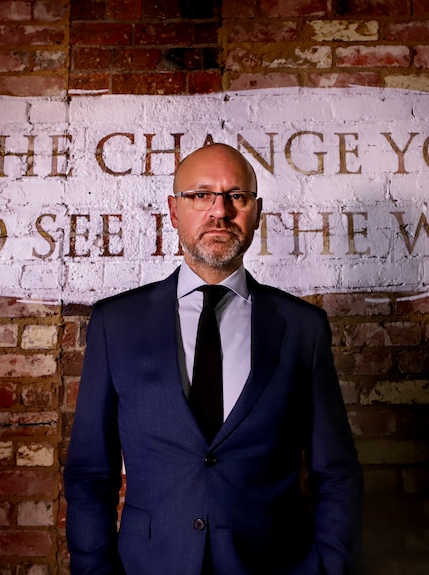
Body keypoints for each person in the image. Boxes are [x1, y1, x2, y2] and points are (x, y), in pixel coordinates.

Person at [64, 143, 363, 575]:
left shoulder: (302, 328)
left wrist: (328, 569)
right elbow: (90, 473)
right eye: (201, 195)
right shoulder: (117, 323)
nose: (219, 211)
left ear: (256, 212)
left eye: (236, 196)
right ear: (173, 209)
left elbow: (336, 473)